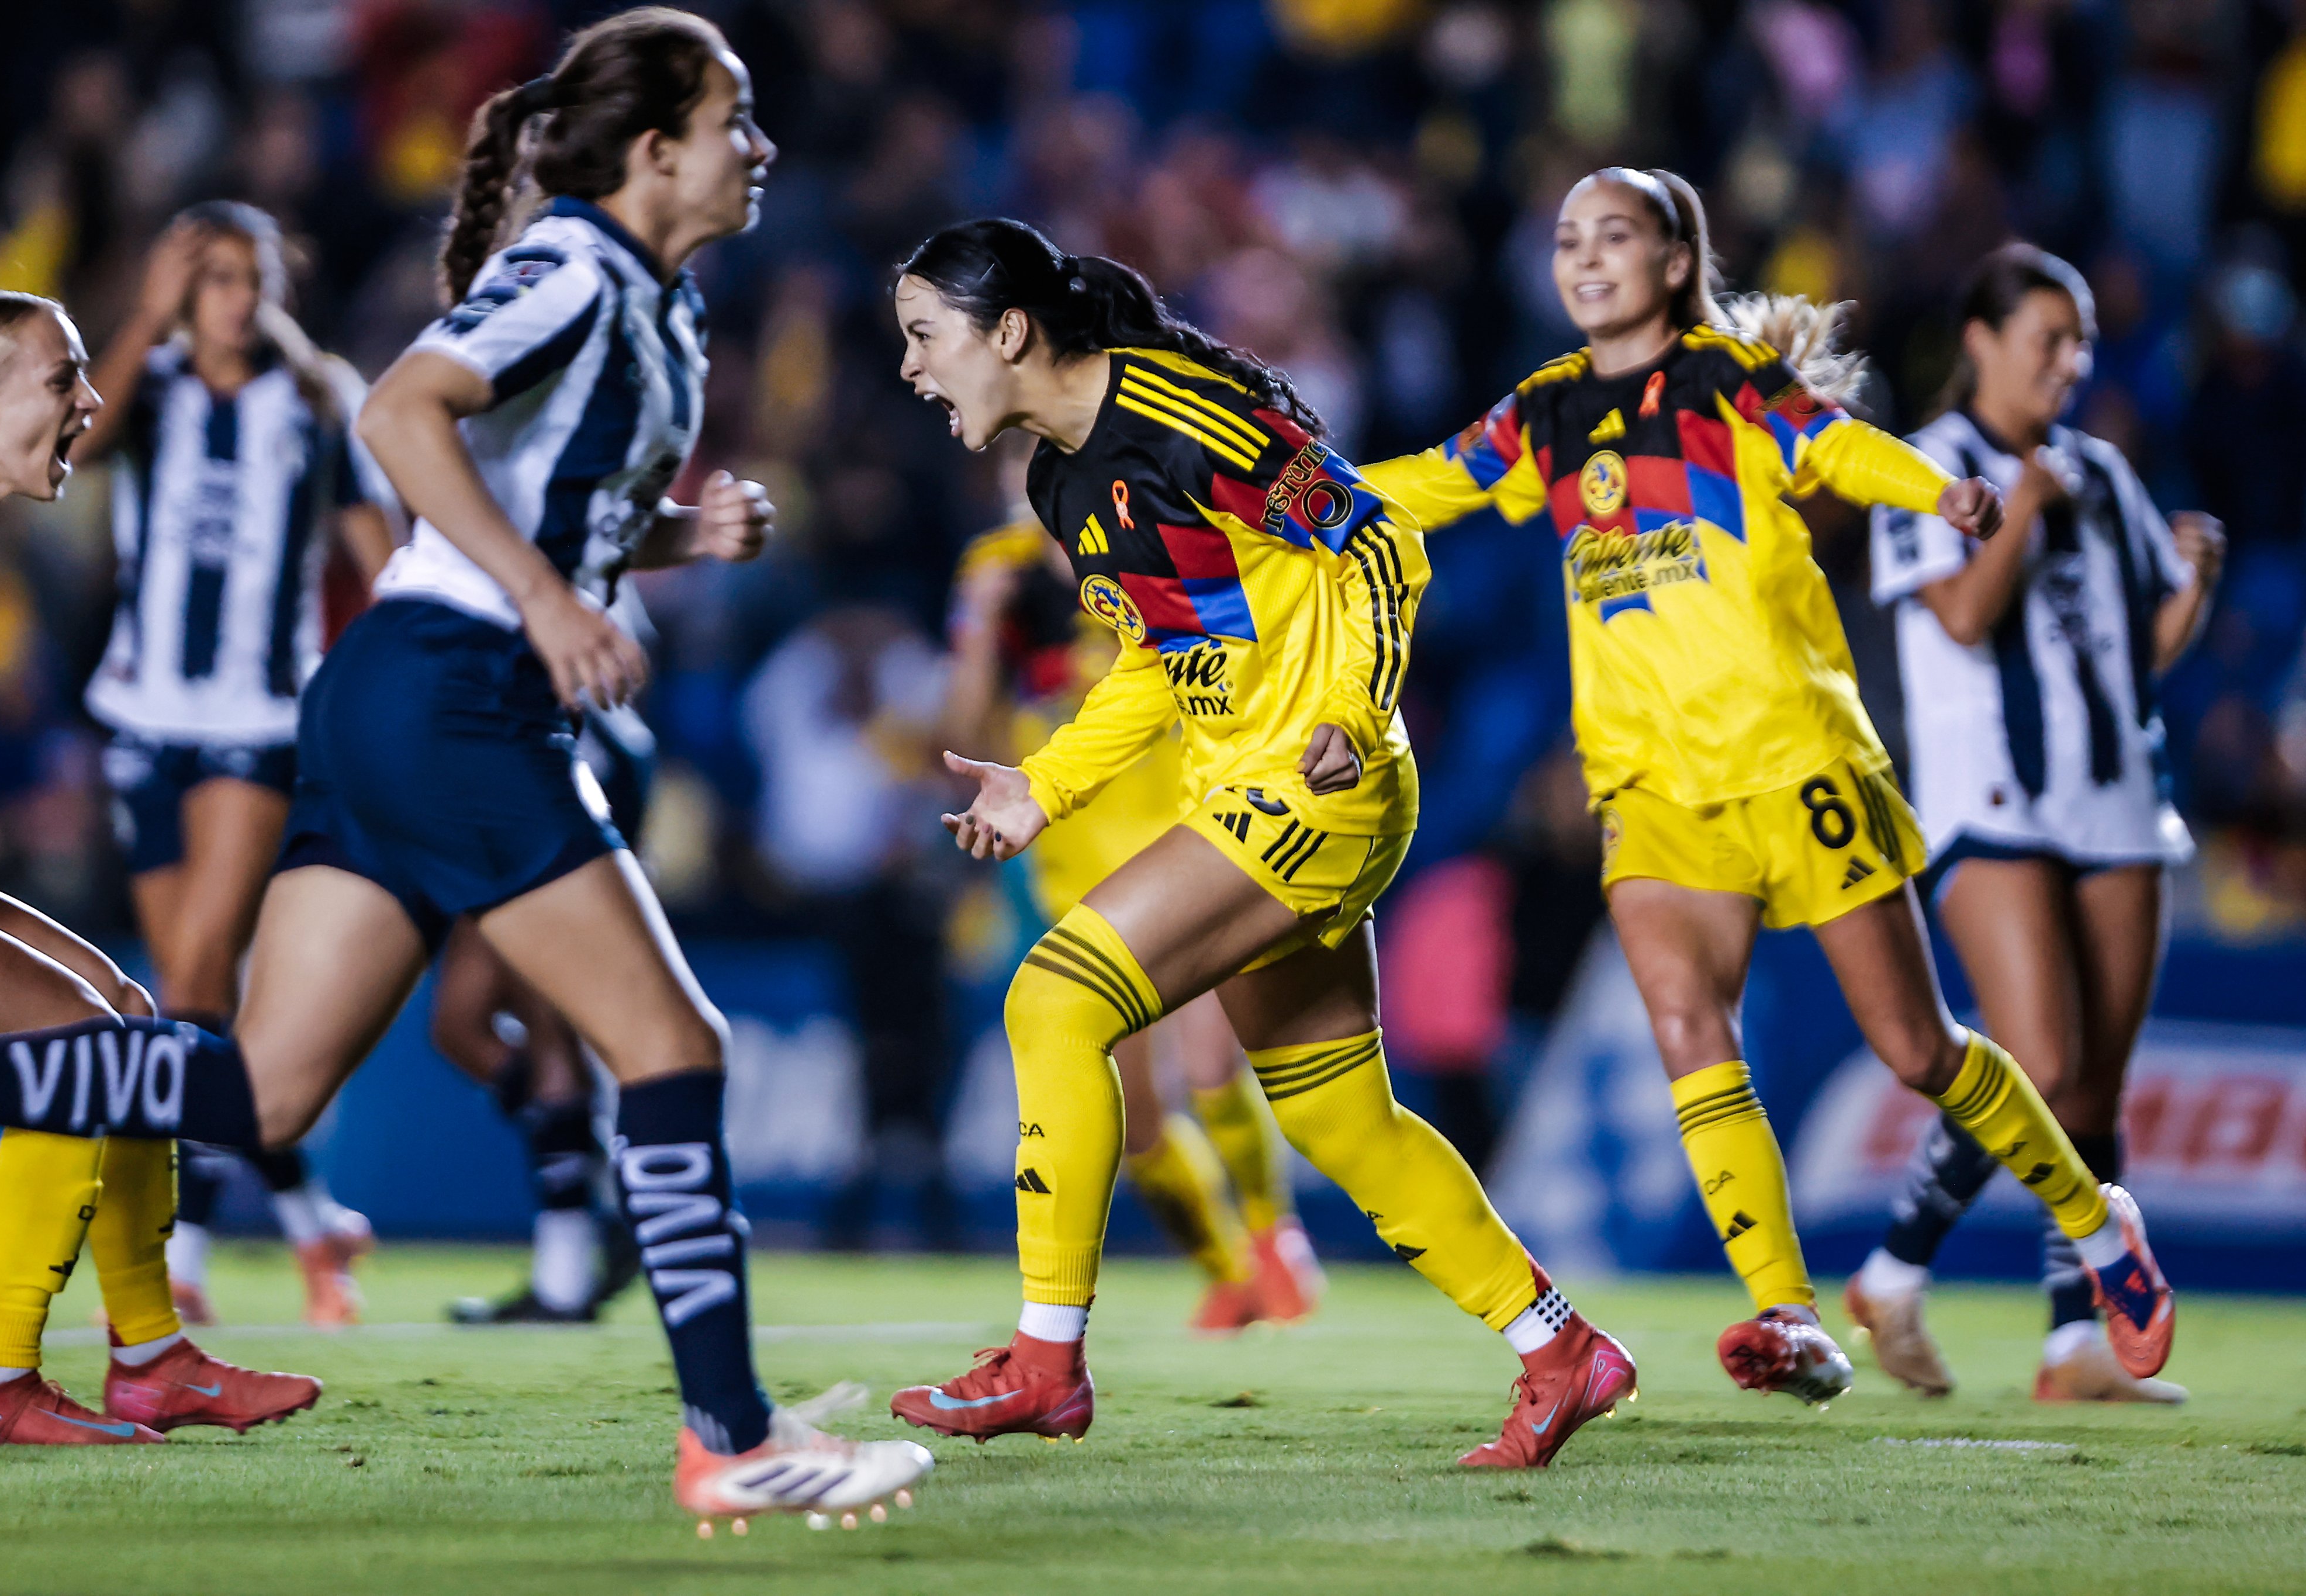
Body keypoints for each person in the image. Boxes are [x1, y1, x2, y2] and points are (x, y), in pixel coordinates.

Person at [0, 10, 934, 1530]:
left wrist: (664, 540)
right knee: (674, 1047)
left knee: (255, 1091)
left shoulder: (652, 298)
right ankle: (729, 1433)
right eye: (735, 120)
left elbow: (505, 496)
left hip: (394, 696)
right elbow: (401, 411)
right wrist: (545, 598)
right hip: (456, 699)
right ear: (656, 149)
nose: (761, 147)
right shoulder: (579, 266)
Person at [1359, 167, 2177, 1404]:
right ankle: (1788, 1316)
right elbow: (1428, 481)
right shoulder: (1541, 412)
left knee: (1916, 1048)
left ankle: (2098, 1222)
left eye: (1613, 236)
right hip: (1649, 783)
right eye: (1567, 237)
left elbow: (1834, 444)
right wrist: (1274, 492)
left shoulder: (1726, 387)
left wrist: (1940, 489)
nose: (1581, 257)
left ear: (1674, 263)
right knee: (1689, 1029)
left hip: (1793, 755)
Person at [884, 217, 1634, 1472]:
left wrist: (1350, 707)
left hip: (1314, 786)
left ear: (1007, 331)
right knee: (1340, 1120)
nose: (908, 369)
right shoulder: (1058, 483)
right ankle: (1559, 1349)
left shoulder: (1188, 415)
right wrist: (1048, 783)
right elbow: (1157, 661)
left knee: (1054, 1002)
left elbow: (1372, 539)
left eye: (922, 337)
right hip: (1242, 788)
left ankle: (1044, 1362)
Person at [0, 290, 318, 1445]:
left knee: (126, 1027)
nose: (93, 401)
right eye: (65, 377)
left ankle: (150, 1358)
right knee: (90, 1058)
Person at [1847, 244, 2222, 1404]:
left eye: (2080, 343)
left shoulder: (2102, 471)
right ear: (1979, 340)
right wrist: (2019, 516)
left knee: (2092, 1091)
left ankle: (2072, 1345)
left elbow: (2128, 662)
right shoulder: (1926, 466)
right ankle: (1893, 1267)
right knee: (2041, 1059)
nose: (2070, 362)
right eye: (2045, 340)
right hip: (1988, 794)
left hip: (2116, 795)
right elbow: (1958, 616)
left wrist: (2191, 595)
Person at [75, 200, 397, 1328]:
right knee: (192, 1008)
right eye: (208, 277)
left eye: (247, 275)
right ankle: (316, 1224)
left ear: (278, 285)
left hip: (259, 720)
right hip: (140, 714)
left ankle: (187, 1251)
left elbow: (381, 550)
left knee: (203, 976)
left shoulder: (320, 399)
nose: (231, 297)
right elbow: (80, 447)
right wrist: (142, 315)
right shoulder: (148, 383)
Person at [939, 444, 1322, 1332]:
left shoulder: (1140, 540)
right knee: (1140, 1115)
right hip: (1075, 857)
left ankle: (1276, 1239)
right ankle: (1231, 1269)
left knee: (1212, 1060)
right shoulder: (995, 576)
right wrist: (980, 630)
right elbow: (958, 731)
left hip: (1185, 825)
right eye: (1011, 475)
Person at [437, 626, 652, 1326]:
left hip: (552, 767)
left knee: (545, 1019)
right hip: (517, 766)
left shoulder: (548, 545)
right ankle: (611, 1197)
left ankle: (564, 1273)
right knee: (461, 1024)